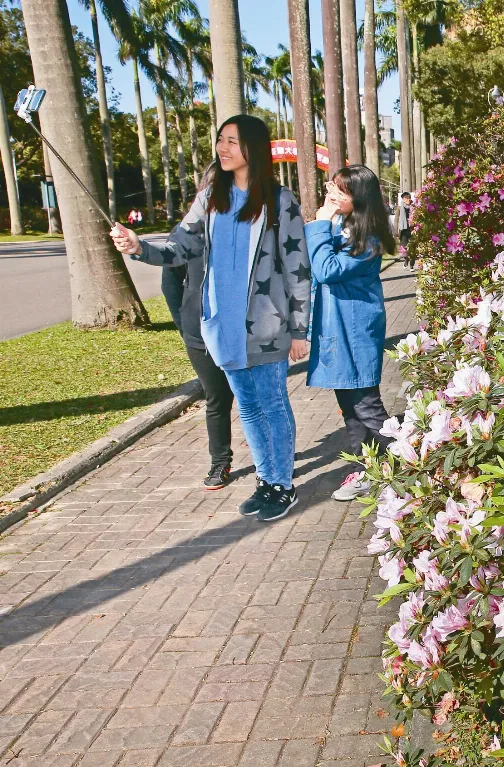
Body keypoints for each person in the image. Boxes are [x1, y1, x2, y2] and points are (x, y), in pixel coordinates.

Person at [110, 114, 311, 522]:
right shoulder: (209, 199)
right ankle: (268, 479)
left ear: (252, 148)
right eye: (220, 140)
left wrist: (300, 329)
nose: (222, 148)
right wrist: (137, 247)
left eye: (232, 142)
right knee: (249, 408)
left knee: (272, 403)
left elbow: (298, 268)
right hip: (223, 325)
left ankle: (283, 485)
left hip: (268, 326)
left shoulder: (279, 201)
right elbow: (177, 249)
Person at [304, 165, 395, 501]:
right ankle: (366, 469)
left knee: (367, 405)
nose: (333, 194)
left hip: (354, 332)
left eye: (342, 191)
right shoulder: (342, 226)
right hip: (337, 329)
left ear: (360, 198)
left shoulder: (367, 239)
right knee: (350, 407)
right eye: (333, 186)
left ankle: (413, 463)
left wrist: (319, 223)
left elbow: (326, 270)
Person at [160, 247, 236, 490]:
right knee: (217, 399)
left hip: (247, 332)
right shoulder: (185, 234)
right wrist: (186, 328)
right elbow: (170, 285)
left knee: (258, 399)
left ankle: (273, 461)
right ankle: (220, 462)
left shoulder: (246, 223)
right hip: (201, 335)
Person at [395, 191, 413, 268]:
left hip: (412, 229)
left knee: (413, 248)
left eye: (408, 198)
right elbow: (396, 220)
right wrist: (396, 231)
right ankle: (406, 259)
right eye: (405, 198)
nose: (407, 199)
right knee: (403, 248)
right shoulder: (399, 208)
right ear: (403, 199)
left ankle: (411, 265)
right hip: (403, 230)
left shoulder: (414, 207)